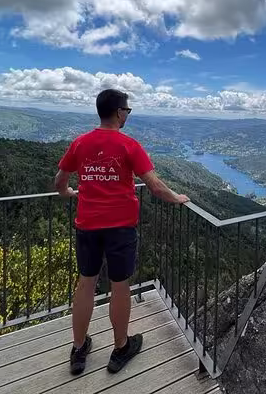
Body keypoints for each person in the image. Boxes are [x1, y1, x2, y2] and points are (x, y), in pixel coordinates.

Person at [54, 88, 189, 375]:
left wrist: (67, 192)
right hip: (120, 229)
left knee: (86, 284)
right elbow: (154, 186)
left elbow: (60, 180)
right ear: (118, 112)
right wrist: (177, 198)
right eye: (127, 110)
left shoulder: (80, 143)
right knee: (119, 286)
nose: (127, 114)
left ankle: (78, 350)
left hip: (87, 226)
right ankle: (120, 347)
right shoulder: (129, 145)